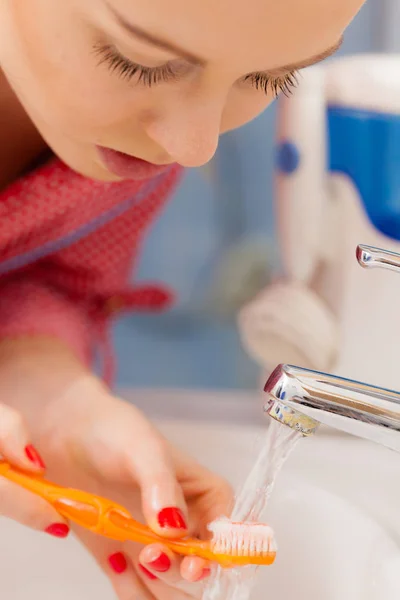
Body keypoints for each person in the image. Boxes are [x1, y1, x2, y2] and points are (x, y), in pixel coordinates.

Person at [0, 0, 364, 598]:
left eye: (270, 77)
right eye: (139, 61)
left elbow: (44, 280)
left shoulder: (129, 145)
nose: (195, 146)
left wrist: (50, 396)